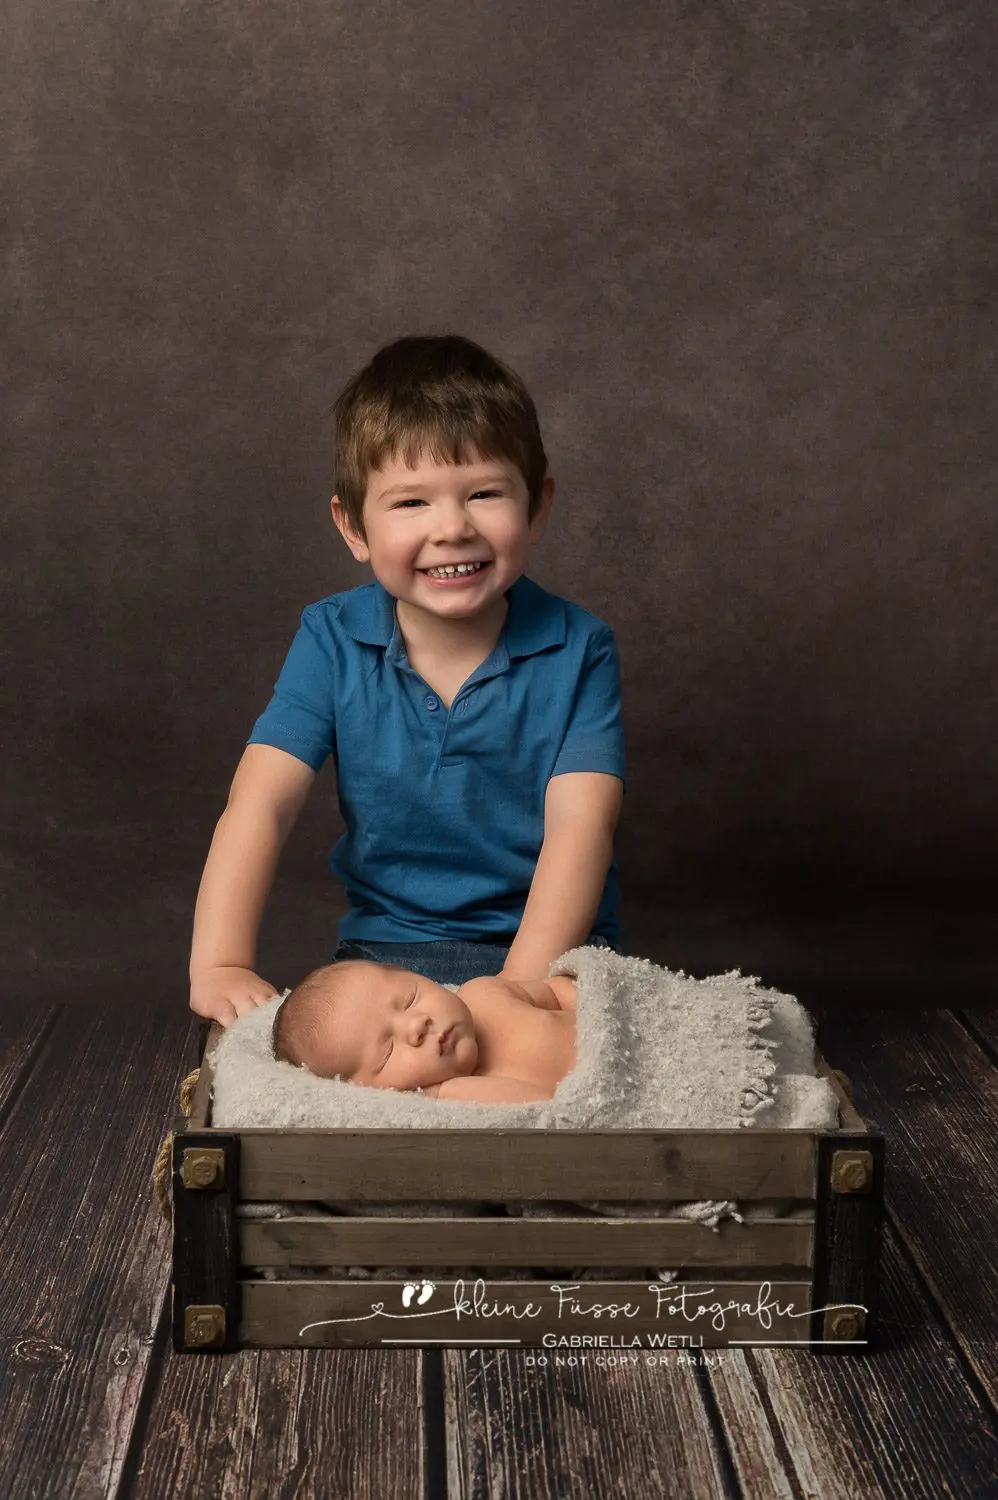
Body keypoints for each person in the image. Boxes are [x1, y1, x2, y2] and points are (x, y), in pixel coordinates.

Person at [189, 334, 626, 1027]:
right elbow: (260, 805)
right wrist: (220, 963)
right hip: (391, 952)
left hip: (551, 955)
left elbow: (582, 826)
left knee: (547, 1051)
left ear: (537, 506)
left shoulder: (579, 648)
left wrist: (518, 987)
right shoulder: (331, 638)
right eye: (410, 503)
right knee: (338, 1044)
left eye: (484, 493)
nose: (452, 528)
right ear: (353, 527)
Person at [273, 958, 580, 1104]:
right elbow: (542, 1113)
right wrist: (440, 1093)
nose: (416, 1025)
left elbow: (557, 991)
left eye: (410, 998)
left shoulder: (485, 992)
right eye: (388, 1050)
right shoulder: (460, 1099)